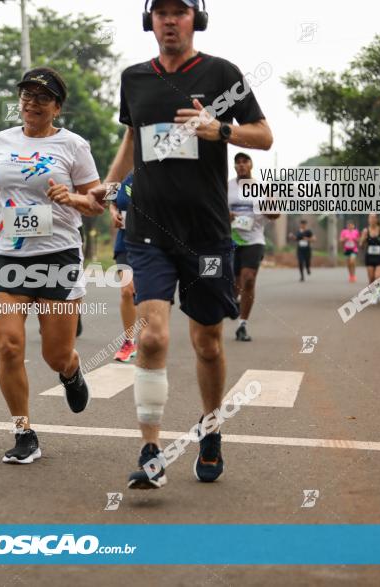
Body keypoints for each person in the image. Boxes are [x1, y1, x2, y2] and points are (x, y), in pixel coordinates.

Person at [91, 0, 273, 489]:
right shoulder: (134, 78)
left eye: (181, 11)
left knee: (208, 343)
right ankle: (151, 449)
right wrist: (109, 189)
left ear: (197, 20)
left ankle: (210, 429)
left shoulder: (222, 74)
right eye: (162, 12)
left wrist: (221, 129)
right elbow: (133, 141)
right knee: (150, 336)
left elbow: (265, 136)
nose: (170, 20)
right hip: (149, 230)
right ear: (149, 20)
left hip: (207, 234)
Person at [0, 67, 104, 464]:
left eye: (42, 97)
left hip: (57, 255)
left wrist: (71, 199)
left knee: (55, 355)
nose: (31, 102)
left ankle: (70, 371)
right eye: (26, 95)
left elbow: (96, 201)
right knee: (8, 346)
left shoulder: (74, 146)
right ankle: (24, 432)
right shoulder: (3, 141)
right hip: (8, 255)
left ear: (57, 106)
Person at [227, 152, 278, 341]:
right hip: (231, 239)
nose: (241, 165)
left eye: (244, 161)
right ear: (234, 167)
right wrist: (228, 214)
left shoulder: (262, 187)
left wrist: (269, 208)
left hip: (254, 240)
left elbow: (275, 214)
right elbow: (216, 209)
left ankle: (242, 325)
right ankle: (235, 301)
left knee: (248, 280)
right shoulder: (227, 186)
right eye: (237, 162)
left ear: (251, 165)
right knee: (233, 284)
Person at [110, 173, 137, 362]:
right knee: (127, 291)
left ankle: (151, 337)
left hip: (153, 246)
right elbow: (109, 201)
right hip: (125, 243)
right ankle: (129, 341)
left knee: (145, 295)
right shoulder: (120, 175)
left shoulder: (159, 172)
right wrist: (113, 213)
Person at [360, 213, 380, 302]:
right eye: (370, 218)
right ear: (368, 219)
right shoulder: (365, 231)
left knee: (378, 276)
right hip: (370, 257)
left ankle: (379, 292)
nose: (372, 219)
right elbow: (361, 245)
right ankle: (373, 294)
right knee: (371, 278)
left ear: (377, 219)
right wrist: (363, 239)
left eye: (373, 218)